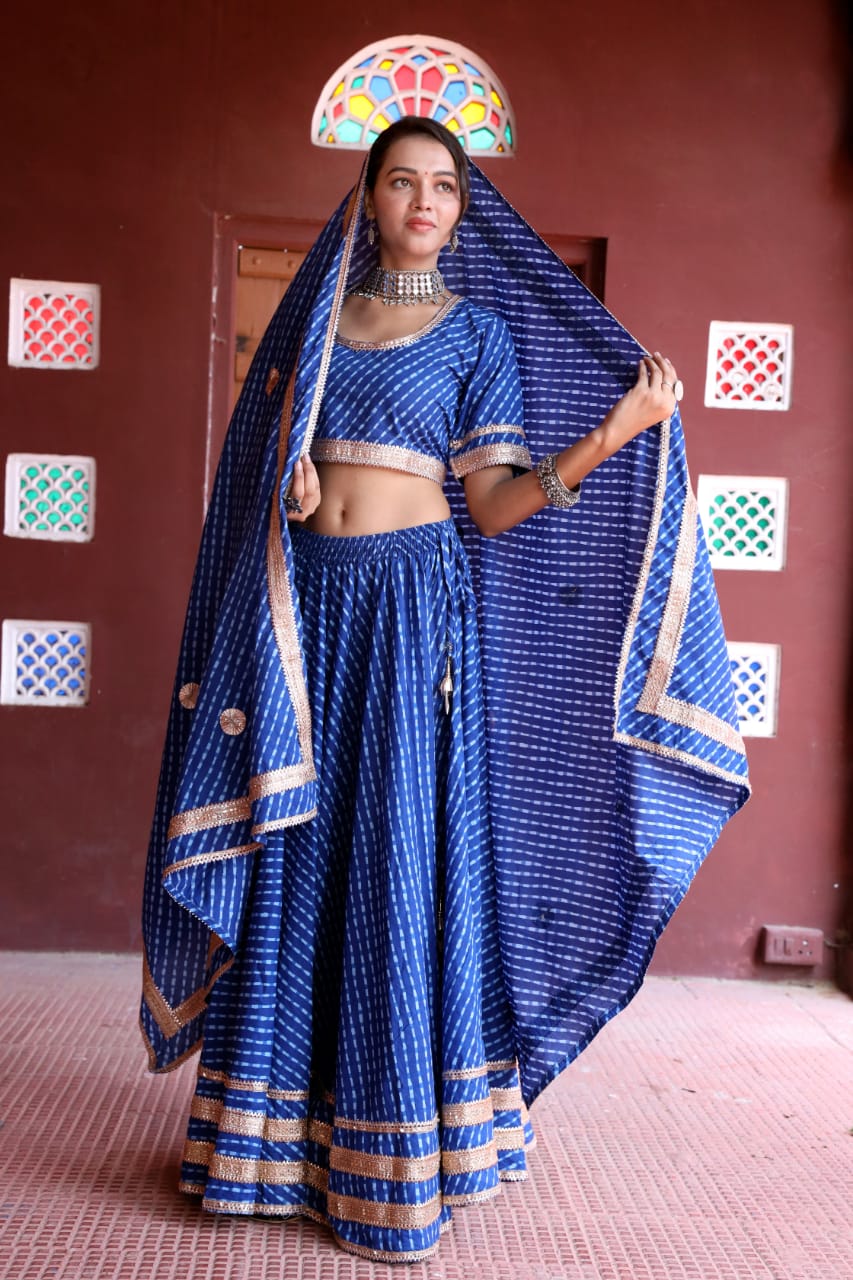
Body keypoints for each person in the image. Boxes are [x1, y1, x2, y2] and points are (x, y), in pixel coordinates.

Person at [140, 117, 749, 1263]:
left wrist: (615, 430)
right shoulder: (314, 323)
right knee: (296, 854)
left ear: (462, 210)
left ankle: (387, 1154)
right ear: (366, 197)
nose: (423, 200)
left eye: (443, 186)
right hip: (306, 609)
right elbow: (257, 469)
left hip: (412, 620)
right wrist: (288, 479)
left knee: (391, 858)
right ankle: (268, 1149)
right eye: (401, 181)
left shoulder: (475, 334)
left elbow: (493, 506)